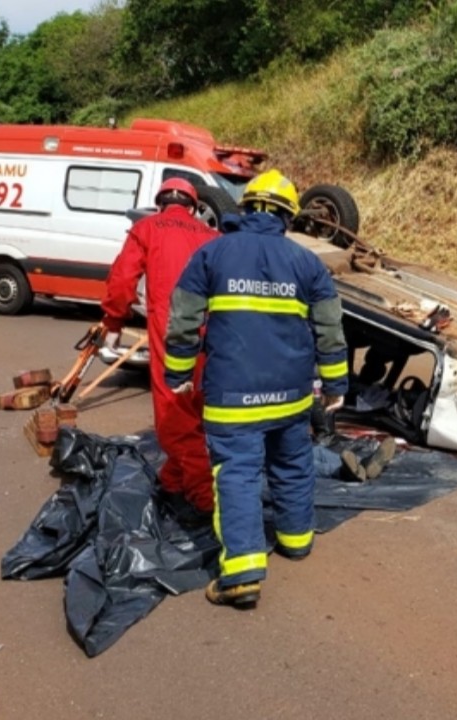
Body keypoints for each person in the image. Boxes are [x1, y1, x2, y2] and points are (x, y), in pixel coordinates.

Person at [163, 169, 349, 608]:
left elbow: (183, 319)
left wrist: (178, 374)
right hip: (291, 396)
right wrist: (336, 386)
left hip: (233, 398)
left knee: (239, 477)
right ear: (287, 216)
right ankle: (296, 539)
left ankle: (243, 574)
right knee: (292, 465)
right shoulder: (307, 263)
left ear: (245, 209)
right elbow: (330, 331)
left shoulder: (214, 254)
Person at [100, 177, 219, 521]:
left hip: (169, 332)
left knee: (173, 415)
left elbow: (122, 280)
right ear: (193, 206)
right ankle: (174, 479)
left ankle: (202, 498)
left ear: (160, 202)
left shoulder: (147, 229)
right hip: (209, 334)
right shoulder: (210, 235)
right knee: (196, 407)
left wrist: (113, 322)